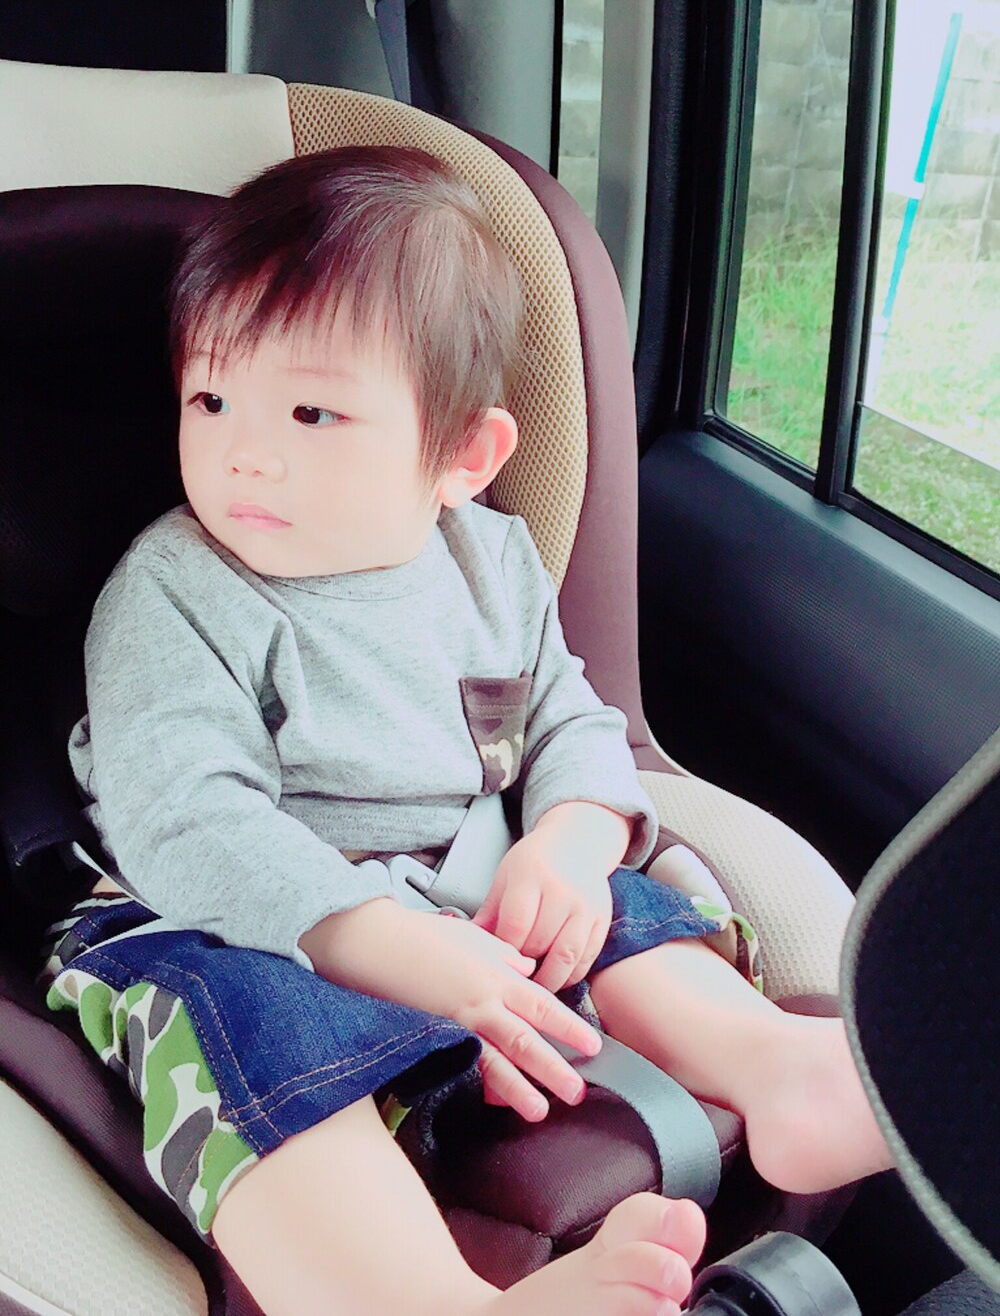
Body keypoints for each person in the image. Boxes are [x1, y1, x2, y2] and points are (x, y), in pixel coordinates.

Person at [43, 145, 890, 1316]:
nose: (244, 447)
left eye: (312, 410)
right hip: (226, 908)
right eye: (210, 397)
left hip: (460, 882)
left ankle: (780, 1069)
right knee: (232, 1026)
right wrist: (390, 944)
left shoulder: (489, 561)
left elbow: (568, 715)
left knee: (617, 903)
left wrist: (569, 840)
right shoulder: (176, 591)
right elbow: (184, 815)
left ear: (463, 457)